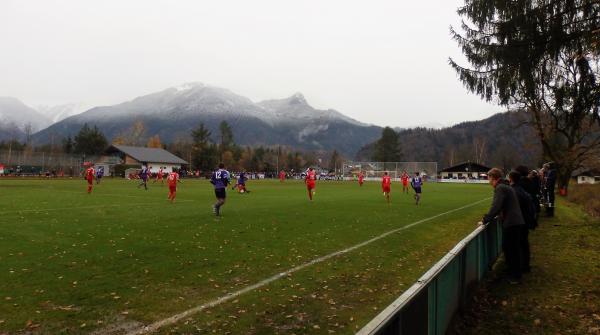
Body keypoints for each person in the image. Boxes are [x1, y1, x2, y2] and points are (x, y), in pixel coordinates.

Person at [480, 168, 525, 283]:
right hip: (514, 221)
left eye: (489, 178)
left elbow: (496, 206)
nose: (488, 181)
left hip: (512, 223)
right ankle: (512, 273)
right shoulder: (506, 186)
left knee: (511, 249)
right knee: (510, 248)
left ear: (494, 178)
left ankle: (515, 276)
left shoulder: (500, 188)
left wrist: (485, 219)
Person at [509, 171, 535, 273]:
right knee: (524, 244)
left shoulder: (515, 191)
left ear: (511, 179)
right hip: (525, 220)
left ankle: (520, 268)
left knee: (519, 245)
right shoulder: (521, 190)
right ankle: (525, 266)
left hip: (520, 222)